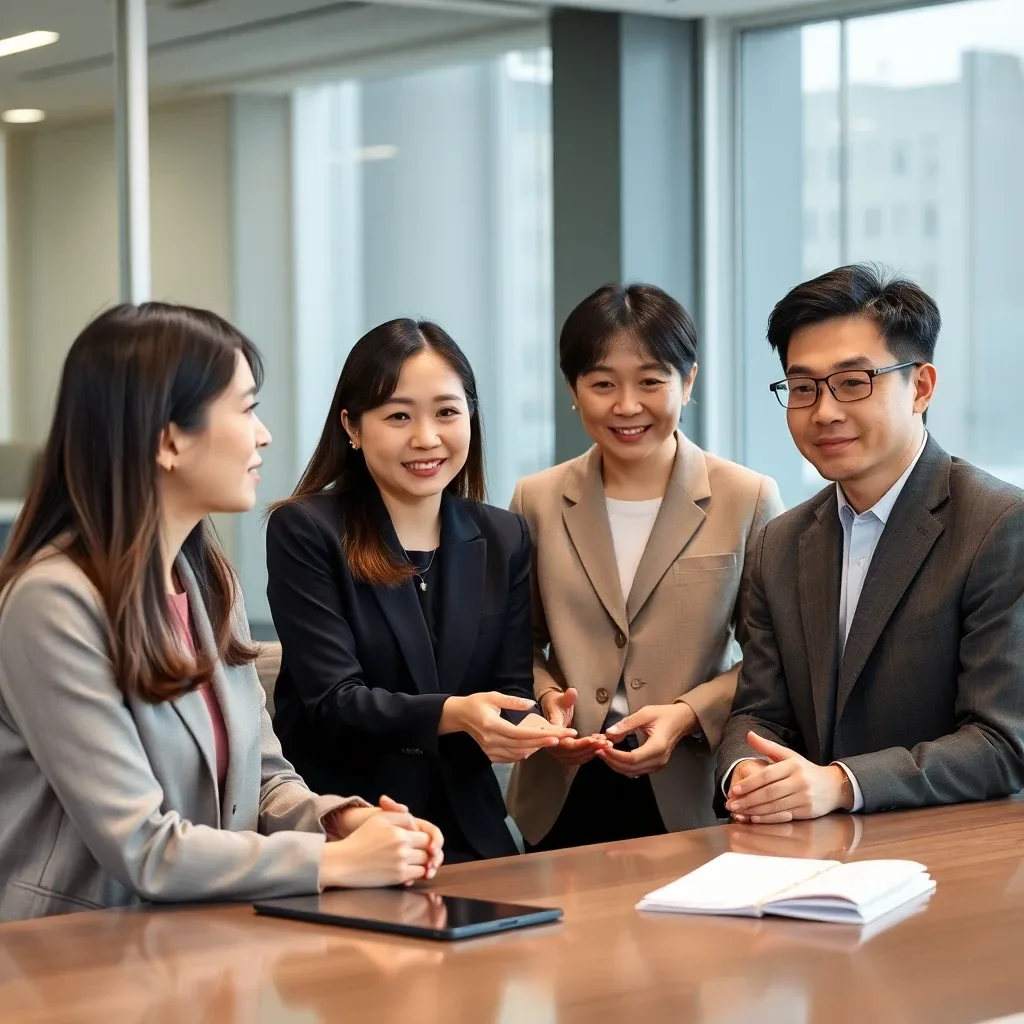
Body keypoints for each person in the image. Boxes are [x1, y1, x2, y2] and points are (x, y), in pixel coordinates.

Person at [0, 303, 442, 923]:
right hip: (69, 959)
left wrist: (342, 820)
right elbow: (144, 848)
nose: (262, 434)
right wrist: (335, 865)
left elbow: (262, 781)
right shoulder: (52, 603)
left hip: (195, 946)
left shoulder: (209, 582)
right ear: (169, 438)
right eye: (246, 408)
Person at [718, 264, 1024, 823]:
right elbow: (759, 712)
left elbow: (1002, 742)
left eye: (854, 382)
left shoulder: (998, 523)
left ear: (921, 387)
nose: (825, 411)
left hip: (955, 859)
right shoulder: (778, 543)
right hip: (809, 866)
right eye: (803, 388)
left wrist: (841, 783)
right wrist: (747, 771)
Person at [265, 319, 574, 863]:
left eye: (447, 412)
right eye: (399, 415)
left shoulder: (502, 536)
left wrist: (541, 730)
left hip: (473, 836)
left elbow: (508, 688)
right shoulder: (305, 530)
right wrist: (456, 713)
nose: (426, 437)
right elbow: (334, 704)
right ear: (352, 427)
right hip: (353, 829)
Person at [505, 283, 783, 850]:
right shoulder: (536, 499)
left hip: (689, 783)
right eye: (603, 383)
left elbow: (772, 655)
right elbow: (516, 642)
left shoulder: (746, 496)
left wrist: (687, 714)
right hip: (563, 781)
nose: (627, 406)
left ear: (689, 382)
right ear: (573, 390)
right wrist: (546, 699)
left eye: (651, 382)